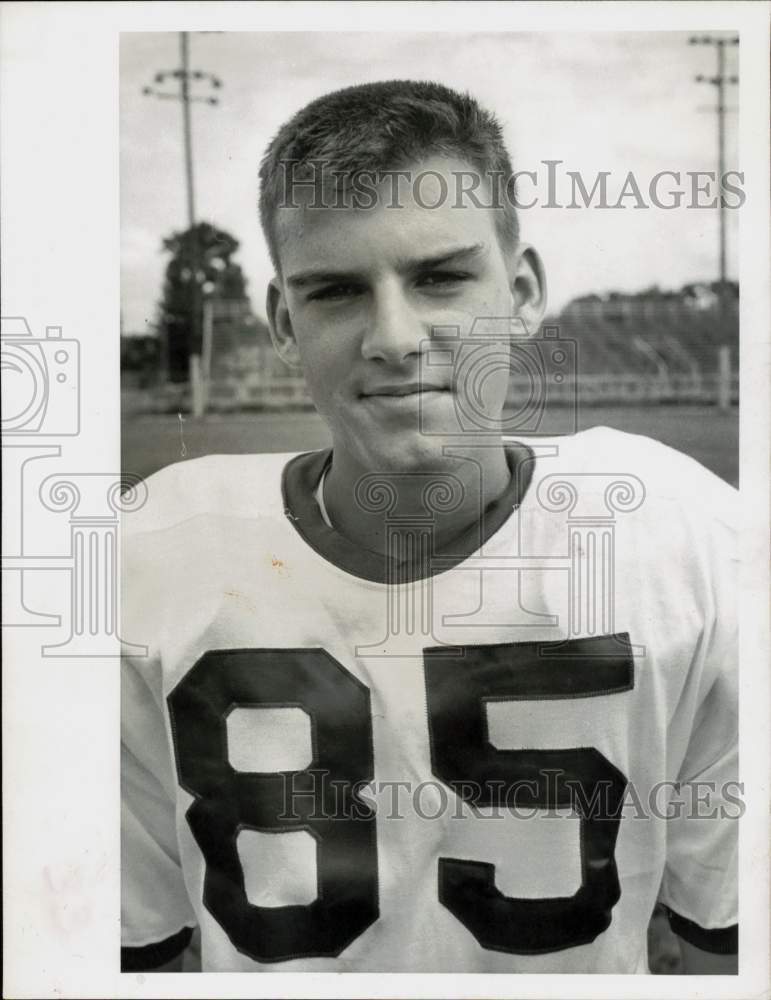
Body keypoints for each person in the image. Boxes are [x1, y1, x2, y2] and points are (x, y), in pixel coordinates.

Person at [120, 80, 738, 974]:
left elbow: (726, 938)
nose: (395, 336)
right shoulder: (144, 561)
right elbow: (128, 950)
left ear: (522, 292)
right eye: (334, 292)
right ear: (283, 324)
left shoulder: (686, 539)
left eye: (440, 277)